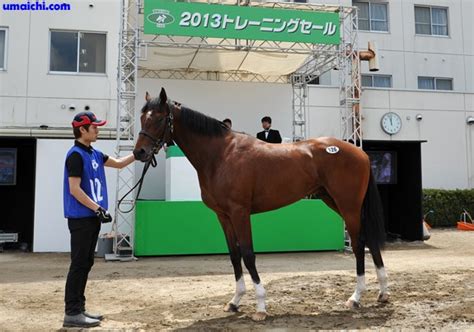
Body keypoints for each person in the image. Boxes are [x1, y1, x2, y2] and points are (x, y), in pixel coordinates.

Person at [63, 111, 136, 328]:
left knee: (86, 262)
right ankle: (72, 312)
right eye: (94, 127)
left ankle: (80, 309)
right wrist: (98, 209)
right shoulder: (75, 155)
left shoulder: (95, 154)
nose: (98, 129)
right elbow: (74, 190)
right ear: (82, 130)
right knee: (78, 264)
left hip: (92, 217)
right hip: (81, 218)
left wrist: (139, 154)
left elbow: (120, 163)